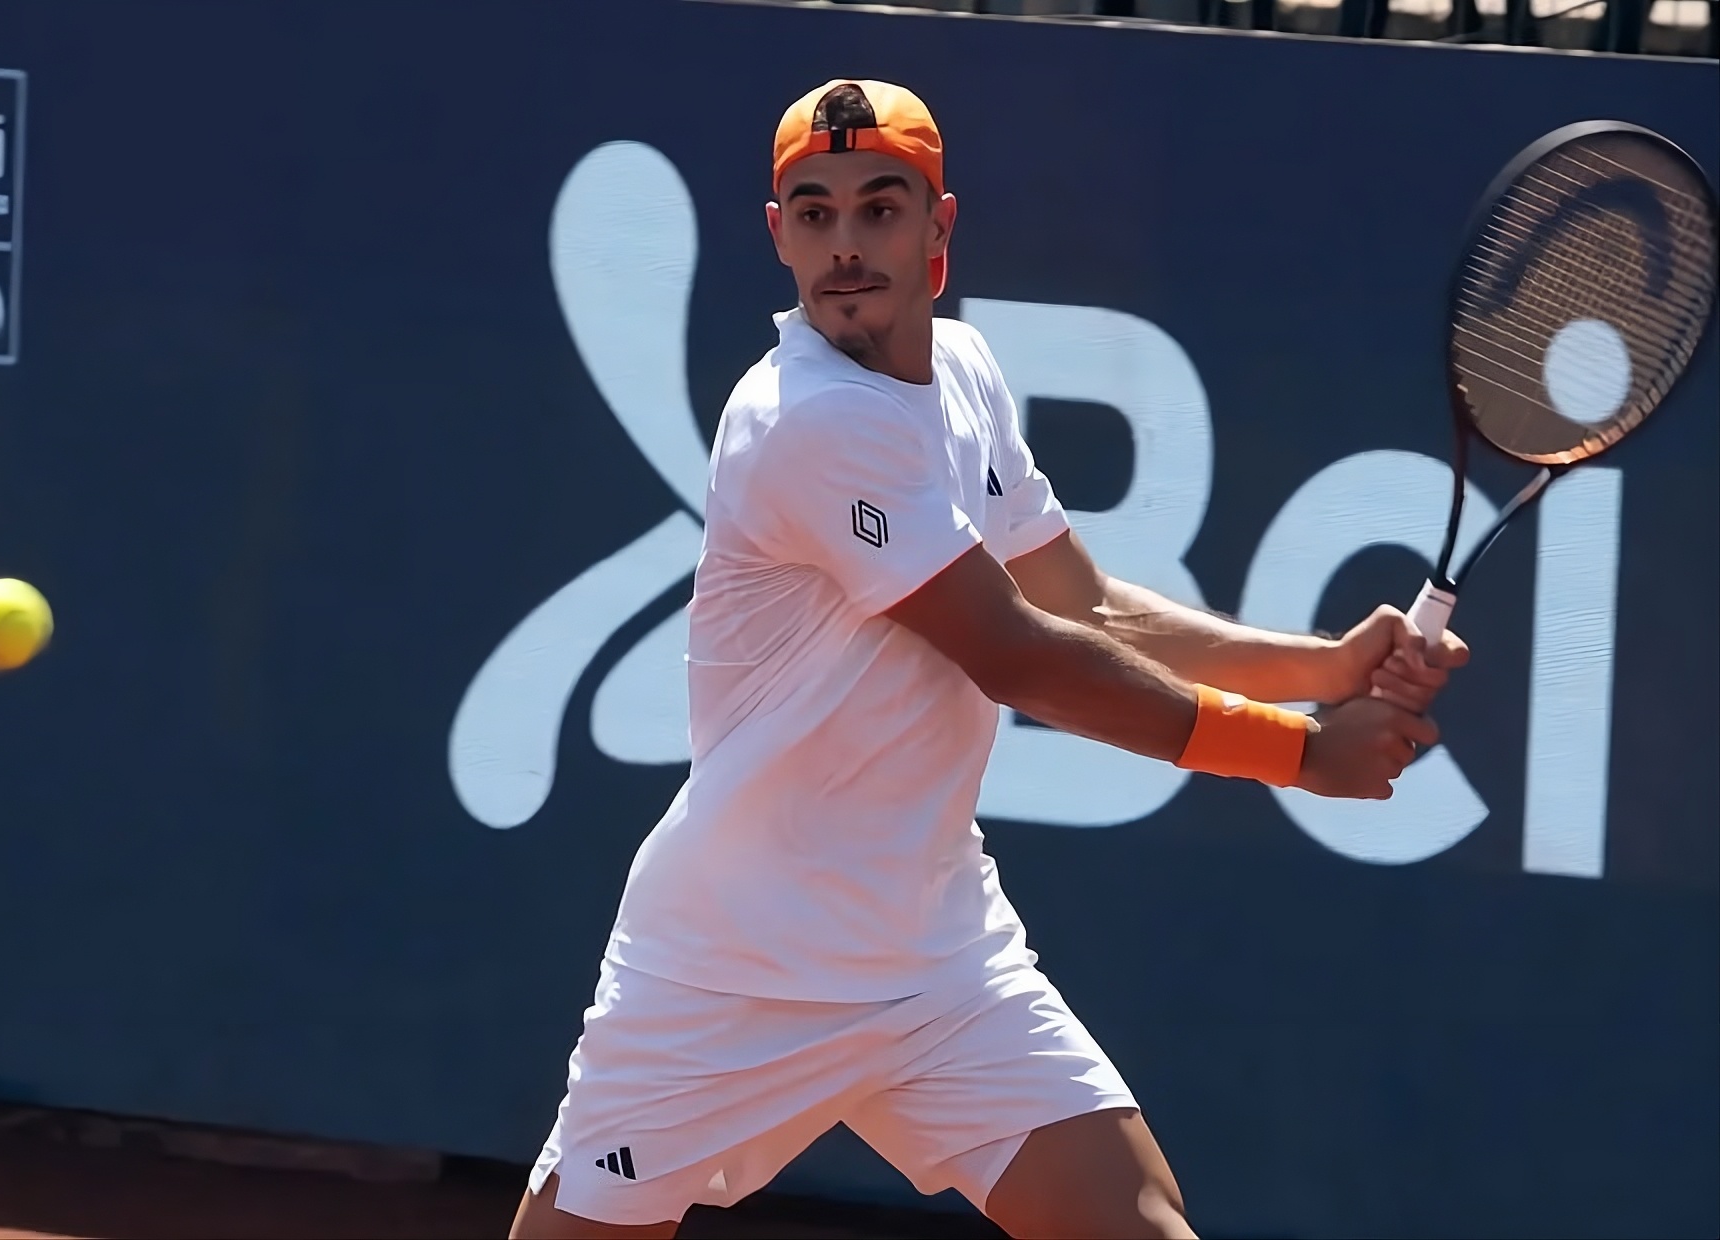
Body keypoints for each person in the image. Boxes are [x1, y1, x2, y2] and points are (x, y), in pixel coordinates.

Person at [511, 79, 1467, 1240]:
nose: (846, 245)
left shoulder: (961, 374)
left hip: (936, 962)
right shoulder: (807, 419)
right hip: (732, 969)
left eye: (880, 208)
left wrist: (1321, 665)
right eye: (813, 214)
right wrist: (1303, 753)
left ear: (940, 231)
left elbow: (1087, 607)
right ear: (778, 239)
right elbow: (1020, 656)